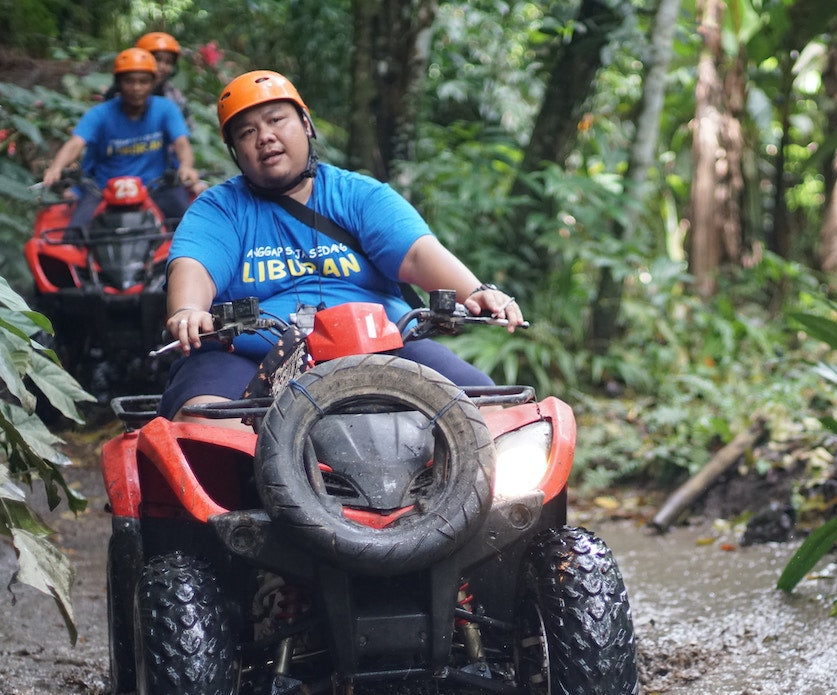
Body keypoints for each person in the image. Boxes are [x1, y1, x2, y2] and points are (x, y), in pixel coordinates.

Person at [158, 70, 523, 427]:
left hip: (381, 345)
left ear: (305, 124)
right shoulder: (219, 208)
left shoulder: (357, 194)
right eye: (247, 132)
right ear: (235, 150)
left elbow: (416, 253)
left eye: (276, 120)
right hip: (247, 354)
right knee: (201, 422)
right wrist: (189, 309)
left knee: (491, 409)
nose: (265, 137)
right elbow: (195, 266)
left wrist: (475, 291)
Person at [42, 47, 199, 233]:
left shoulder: (166, 109)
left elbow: (181, 143)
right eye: (129, 81)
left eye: (143, 81)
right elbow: (76, 143)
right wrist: (56, 168)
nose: (136, 88)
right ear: (118, 83)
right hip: (103, 189)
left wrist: (186, 166)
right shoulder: (100, 114)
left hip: (156, 186)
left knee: (190, 229)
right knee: (74, 235)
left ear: (153, 83)